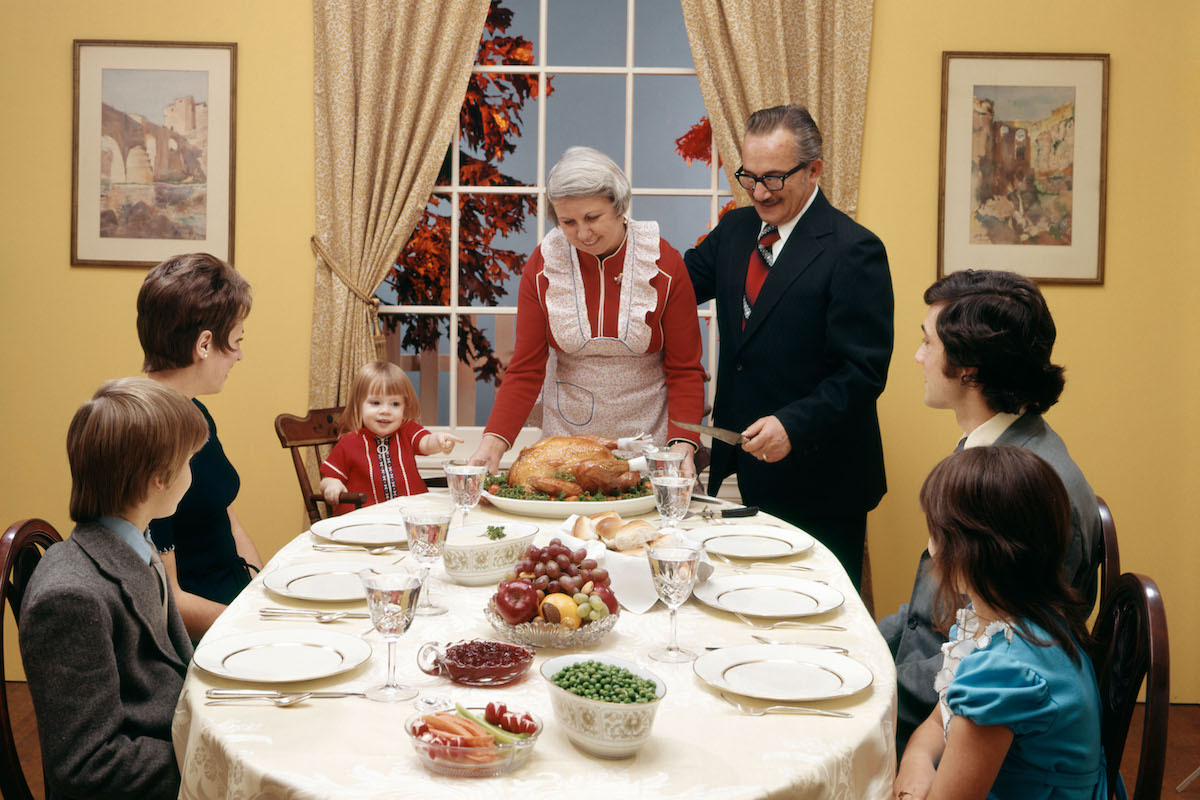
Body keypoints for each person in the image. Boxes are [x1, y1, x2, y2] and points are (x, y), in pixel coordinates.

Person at [880, 269, 1102, 754]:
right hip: (933, 681)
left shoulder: (1021, 487)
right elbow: (930, 616)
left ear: (969, 369)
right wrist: (854, 641)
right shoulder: (1000, 447)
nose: (918, 356)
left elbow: (993, 659)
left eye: (928, 343)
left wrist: (866, 682)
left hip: (958, 728)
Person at [684, 105, 894, 589]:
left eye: (774, 179)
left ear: (814, 169)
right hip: (738, 469)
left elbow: (861, 373)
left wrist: (792, 426)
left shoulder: (854, 250)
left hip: (821, 479)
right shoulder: (735, 231)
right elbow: (674, 289)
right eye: (749, 177)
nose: (759, 192)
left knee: (812, 624)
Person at [469, 146, 706, 476]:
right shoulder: (543, 267)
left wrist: (682, 444)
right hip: (567, 441)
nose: (583, 233)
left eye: (592, 217)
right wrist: (493, 442)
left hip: (649, 441)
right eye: (568, 222)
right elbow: (525, 369)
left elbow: (685, 370)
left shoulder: (663, 264)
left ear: (619, 206)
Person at [20, 378, 206, 799]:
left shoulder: (135, 541)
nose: (192, 473)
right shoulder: (70, 599)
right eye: (190, 460)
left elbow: (175, 665)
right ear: (158, 477)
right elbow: (87, 767)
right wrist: (215, 756)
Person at [893, 446, 1106, 800]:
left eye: (935, 535)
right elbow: (937, 721)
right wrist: (915, 761)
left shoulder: (1002, 675)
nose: (931, 550)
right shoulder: (1011, 620)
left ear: (967, 554)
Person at [137, 252, 262, 639]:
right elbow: (168, 600)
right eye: (237, 340)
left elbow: (227, 517)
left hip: (235, 606)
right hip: (200, 638)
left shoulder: (194, 411)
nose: (240, 355)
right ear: (205, 343)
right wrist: (257, 626)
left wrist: (260, 590)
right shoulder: (148, 436)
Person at [320, 361, 463, 515]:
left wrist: (439, 440)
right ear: (358, 406)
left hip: (411, 516)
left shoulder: (407, 431)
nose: (385, 411)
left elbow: (426, 443)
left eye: (395, 404)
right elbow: (328, 478)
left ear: (405, 407)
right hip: (366, 520)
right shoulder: (349, 442)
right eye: (375, 403)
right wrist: (332, 485)